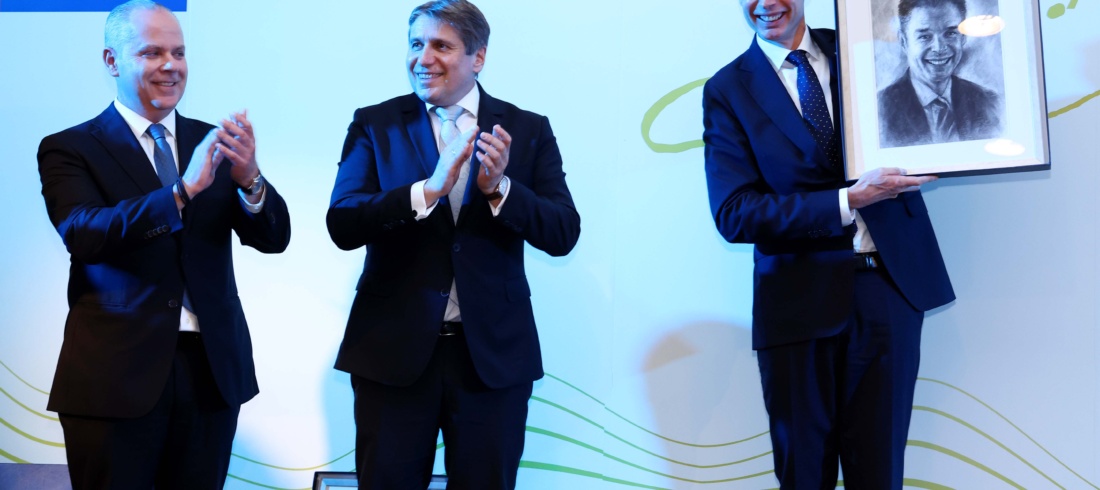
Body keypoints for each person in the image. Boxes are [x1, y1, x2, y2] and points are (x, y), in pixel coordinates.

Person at [325, 1, 580, 488]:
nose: (423, 59)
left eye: (441, 45)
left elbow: (563, 232)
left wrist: (500, 189)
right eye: (415, 44)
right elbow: (343, 222)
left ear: (477, 57)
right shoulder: (375, 123)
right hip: (392, 356)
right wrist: (426, 191)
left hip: (492, 361)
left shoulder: (527, 128)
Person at [36, 1, 291, 488]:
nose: (171, 66)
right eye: (152, 53)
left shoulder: (212, 140)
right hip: (115, 378)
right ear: (112, 60)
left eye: (179, 52)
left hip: (211, 372)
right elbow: (85, 233)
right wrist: (182, 191)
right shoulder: (70, 147)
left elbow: (273, 238)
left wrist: (251, 180)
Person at [702, 0, 955, 488]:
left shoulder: (868, 49)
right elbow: (734, 212)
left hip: (890, 289)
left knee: (880, 473)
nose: (765, 3)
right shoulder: (728, 89)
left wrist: (953, 145)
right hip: (798, 302)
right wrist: (845, 201)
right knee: (804, 475)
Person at [878, 0, 1002, 148]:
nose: (939, 48)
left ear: (963, 37)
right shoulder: (880, 111)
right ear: (904, 41)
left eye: (950, 33)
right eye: (925, 37)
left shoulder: (990, 104)